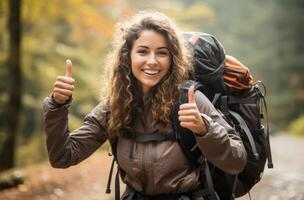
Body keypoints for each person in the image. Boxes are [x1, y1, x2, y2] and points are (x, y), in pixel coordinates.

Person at [43, 10, 247, 200]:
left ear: (172, 59)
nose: (152, 61)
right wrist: (57, 106)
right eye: (142, 51)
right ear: (127, 56)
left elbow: (237, 161)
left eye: (162, 53)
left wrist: (205, 129)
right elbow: (63, 156)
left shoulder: (190, 100)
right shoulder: (115, 106)